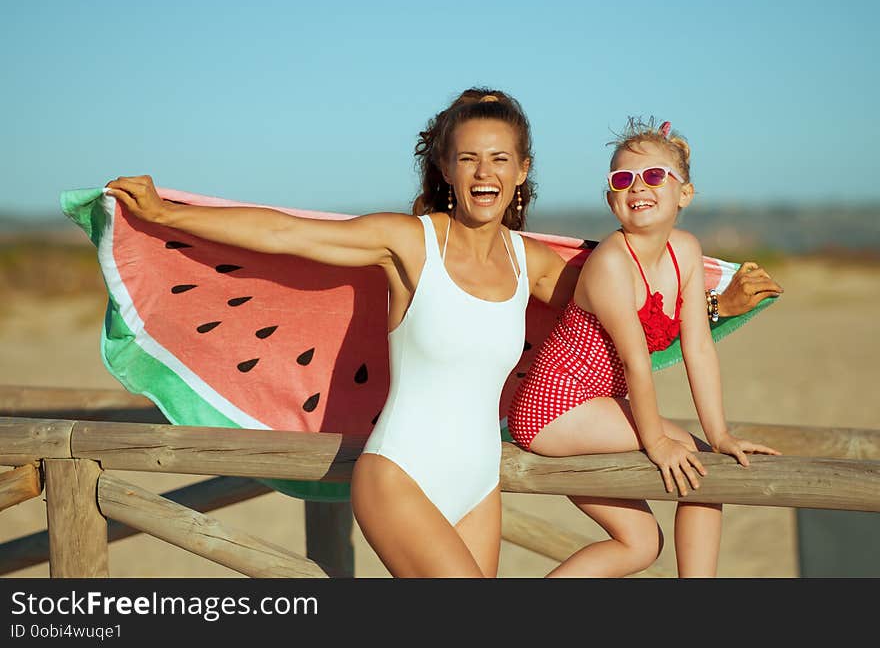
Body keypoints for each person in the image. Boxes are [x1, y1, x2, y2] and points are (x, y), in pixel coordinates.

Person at [105, 91, 781, 578]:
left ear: (520, 173)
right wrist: (166, 212)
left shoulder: (533, 263)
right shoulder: (410, 242)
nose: (484, 172)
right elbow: (289, 233)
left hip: (479, 484)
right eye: (468, 158)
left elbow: (628, 312)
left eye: (499, 158)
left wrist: (719, 307)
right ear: (447, 171)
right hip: (399, 473)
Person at [507, 117, 782, 578]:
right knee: (701, 470)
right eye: (623, 179)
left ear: (684, 194)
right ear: (612, 199)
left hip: (597, 407)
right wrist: (656, 441)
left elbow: (698, 349)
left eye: (654, 175)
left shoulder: (686, 252)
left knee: (640, 544)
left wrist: (720, 434)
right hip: (552, 410)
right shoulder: (611, 264)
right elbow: (636, 363)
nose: (639, 187)